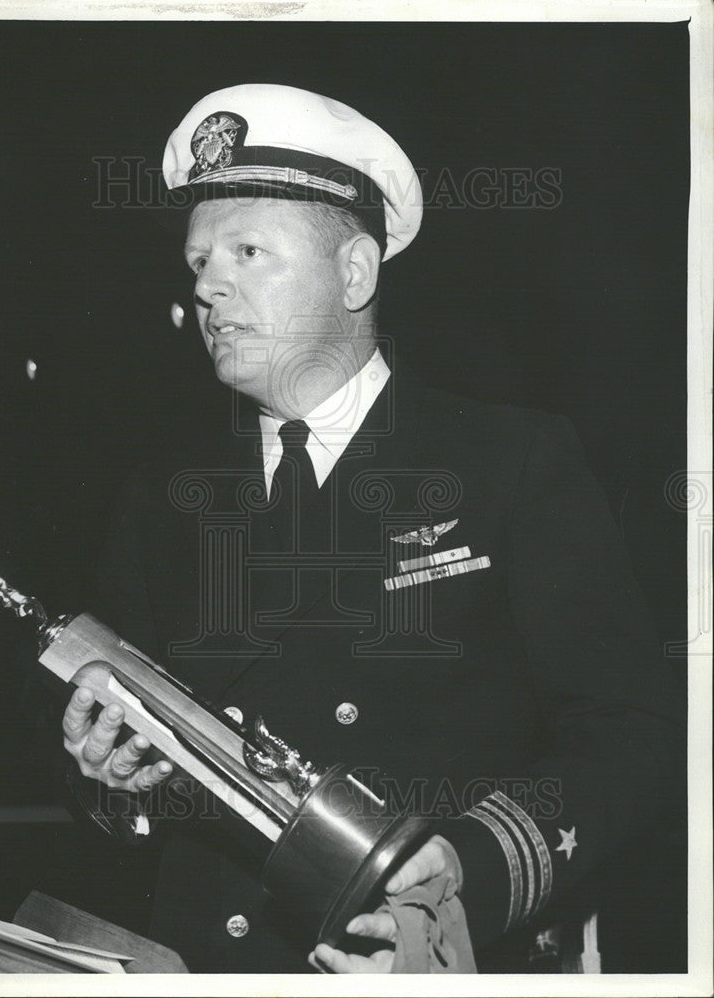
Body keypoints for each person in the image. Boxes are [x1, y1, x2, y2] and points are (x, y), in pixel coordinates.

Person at [61, 83, 684, 973]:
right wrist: (112, 784)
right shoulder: (161, 500)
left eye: (247, 250)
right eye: (199, 261)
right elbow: (126, 785)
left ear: (354, 272)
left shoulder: (506, 461)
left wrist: (465, 871)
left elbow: (631, 728)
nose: (208, 285)